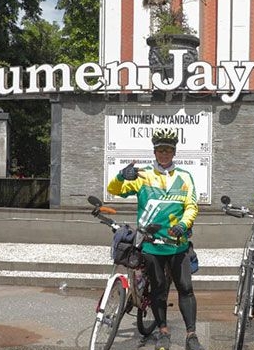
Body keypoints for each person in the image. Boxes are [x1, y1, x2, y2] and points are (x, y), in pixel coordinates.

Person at [107, 128, 204, 350]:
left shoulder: (185, 177)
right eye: (160, 150)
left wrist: (183, 224)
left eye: (168, 150)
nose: (164, 154)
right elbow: (113, 190)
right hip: (151, 245)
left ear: (174, 152)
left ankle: (191, 335)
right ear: (154, 152)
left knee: (186, 288)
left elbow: (191, 206)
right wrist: (122, 175)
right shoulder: (143, 176)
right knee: (158, 289)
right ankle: (163, 331)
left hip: (177, 245)